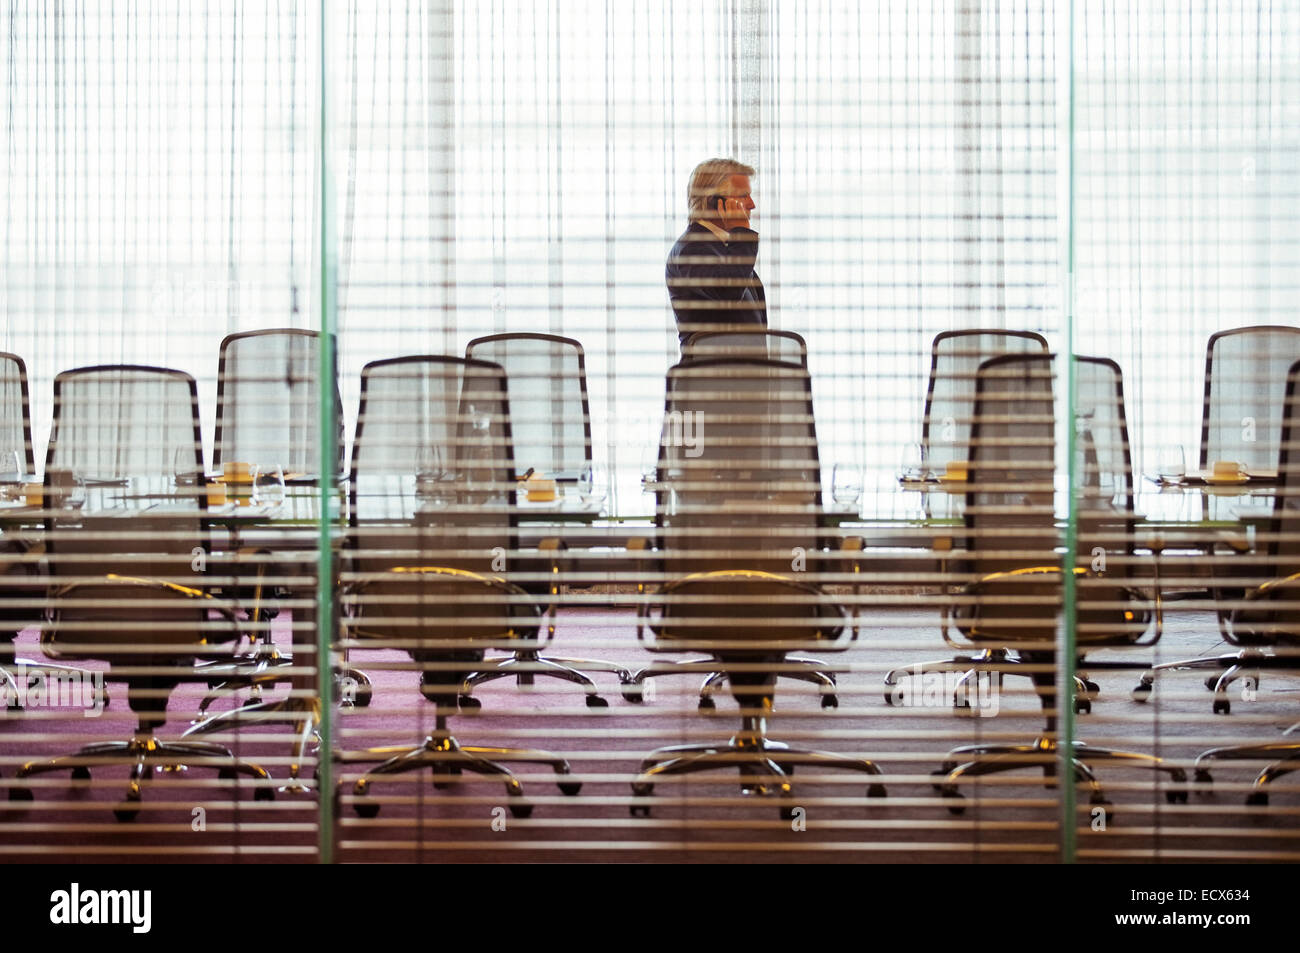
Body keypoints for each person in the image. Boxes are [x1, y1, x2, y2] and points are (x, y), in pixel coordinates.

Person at [665, 158, 765, 349]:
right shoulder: (690, 248)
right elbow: (728, 291)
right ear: (713, 202)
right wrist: (742, 234)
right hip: (712, 373)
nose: (751, 204)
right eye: (743, 196)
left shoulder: (724, 248)